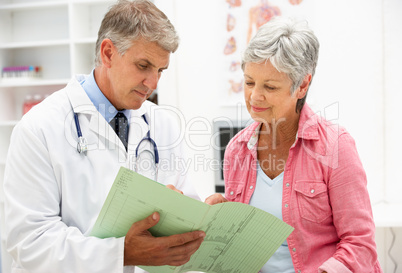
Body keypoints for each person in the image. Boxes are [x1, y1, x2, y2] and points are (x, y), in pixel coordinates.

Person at [2, 1, 206, 272]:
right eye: (143, 65)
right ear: (108, 53)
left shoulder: (162, 124)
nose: (153, 83)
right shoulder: (39, 128)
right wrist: (120, 253)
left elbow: (183, 205)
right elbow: (29, 242)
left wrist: (199, 218)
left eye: (160, 70)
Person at [206, 17, 383, 273]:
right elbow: (244, 243)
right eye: (249, 82)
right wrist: (219, 220)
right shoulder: (237, 149)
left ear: (302, 85)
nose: (255, 96)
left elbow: (360, 244)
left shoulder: (335, 146)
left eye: (270, 86)